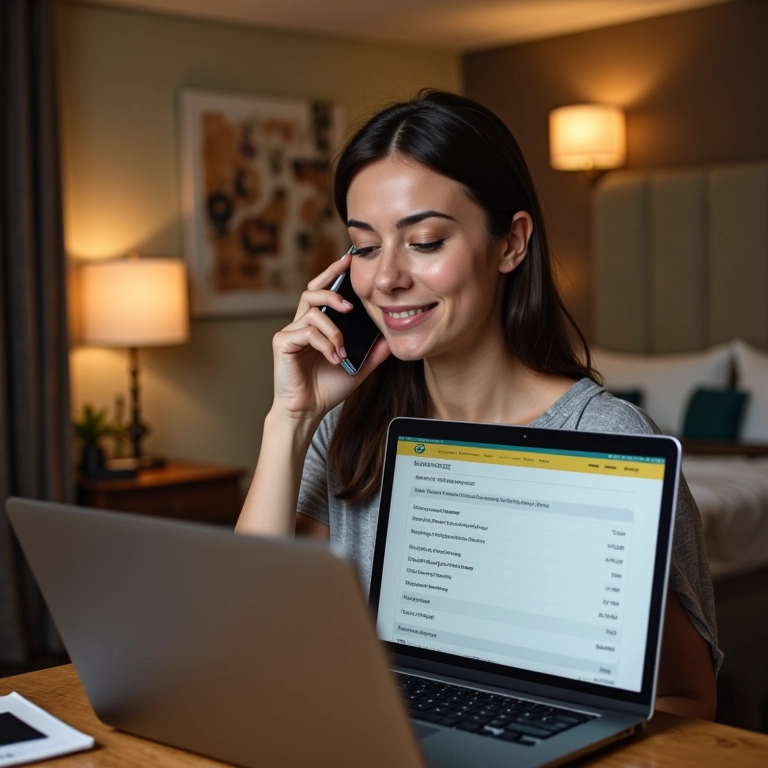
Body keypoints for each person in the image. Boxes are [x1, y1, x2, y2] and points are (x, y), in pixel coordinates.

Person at [236, 89, 720, 719]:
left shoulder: (605, 437)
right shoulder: (347, 431)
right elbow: (245, 636)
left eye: (426, 241)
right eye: (365, 245)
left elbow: (686, 700)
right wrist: (291, 419)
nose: (386, 280)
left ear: (512, 243)